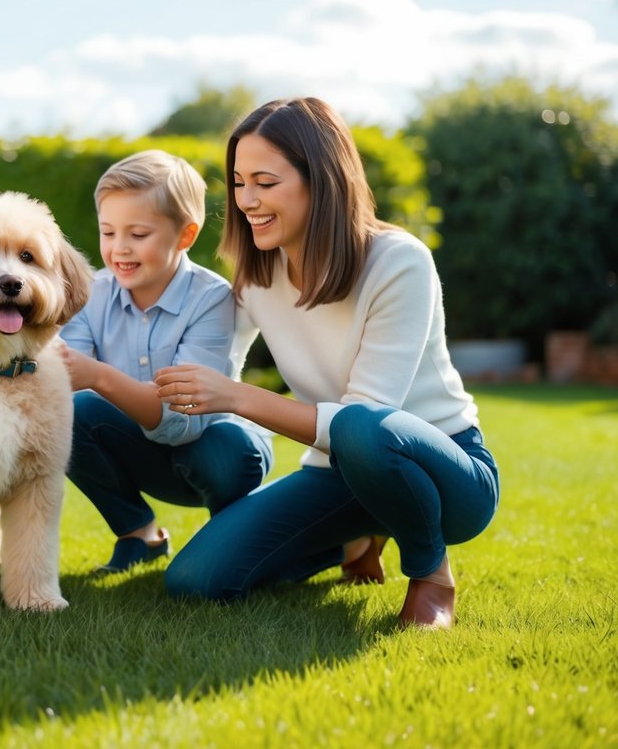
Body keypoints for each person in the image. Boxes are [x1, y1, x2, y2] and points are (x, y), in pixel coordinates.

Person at [153, 98, 499, 628]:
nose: (247, 200)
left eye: (265, 183)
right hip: (340, 474)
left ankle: (432, 576)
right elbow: (197, 343)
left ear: (323, 179)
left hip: (445, 470)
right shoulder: (256, 275)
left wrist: (236, 395)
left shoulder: (398, 261)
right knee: (195, 582)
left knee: (362, 426)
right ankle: (357, 540)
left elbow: (366, 417)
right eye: (239, 182)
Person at [59, 149, 273, 574]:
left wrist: (98, 375)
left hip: (211, 451)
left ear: (185, 236)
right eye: (108, 232)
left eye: (138, 234)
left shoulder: (212, 300)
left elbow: (184, 419)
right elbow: (67, 384)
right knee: (66, 413)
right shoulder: (91, 293)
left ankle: (232, 533)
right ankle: (139, 534)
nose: (119, 249)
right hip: (142, 449)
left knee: (228, 449)